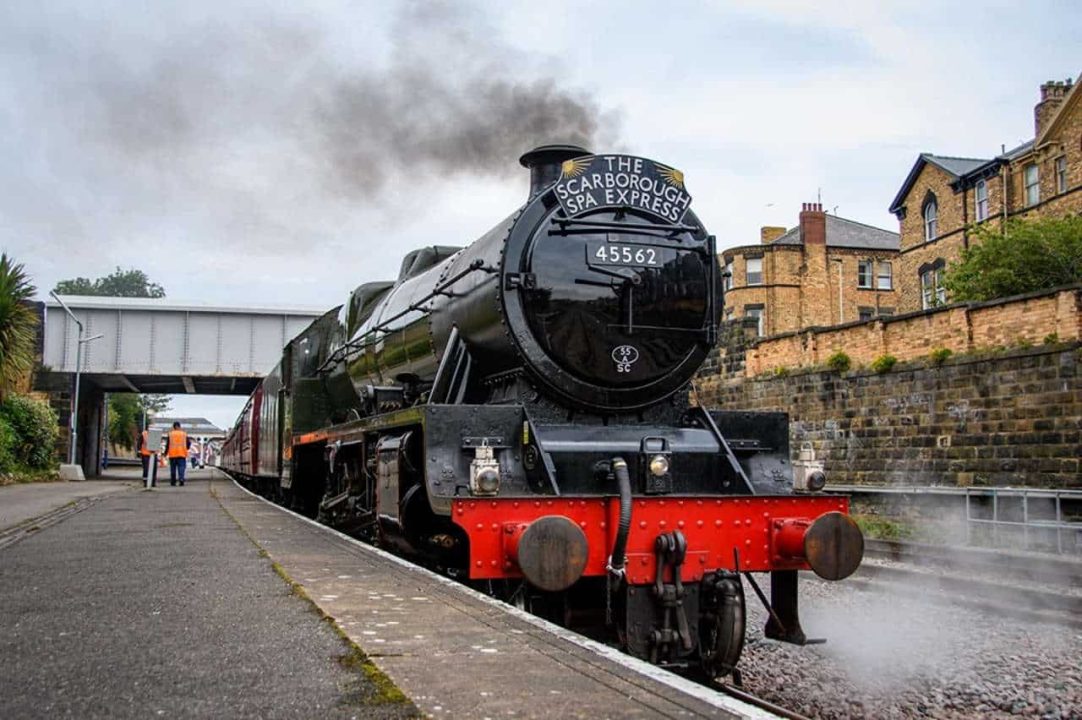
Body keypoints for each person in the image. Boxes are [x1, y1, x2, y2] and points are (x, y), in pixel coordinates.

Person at [164, 421, 191, 487]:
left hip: (172, 454)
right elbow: (188, 443)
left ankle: (173, 482)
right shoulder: (184, 434)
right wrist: (186, 448)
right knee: (181, 467)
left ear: (173, 427)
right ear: (179, 426)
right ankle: (181, 479)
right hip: (181, 454)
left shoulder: (170, 434)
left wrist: (165, 453)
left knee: (173, 469)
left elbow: (168, 444)